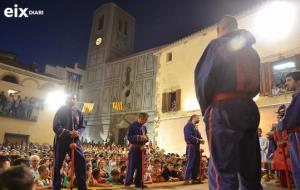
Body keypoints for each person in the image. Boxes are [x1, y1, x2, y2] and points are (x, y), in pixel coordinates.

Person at [194, 15, 261, 189]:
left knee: (222, 171)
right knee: (250, 171)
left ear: (219, 30)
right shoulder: (253, 52)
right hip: (249, 108)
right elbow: (257, 85)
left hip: (223, 109)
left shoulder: (217, 45)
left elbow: (203, 80)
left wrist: (206, 109)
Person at [52, 95, 87, 190]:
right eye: (70, 98)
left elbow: (82, 125)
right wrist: (68, 133)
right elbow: (56, 126)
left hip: (75, 140)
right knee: (58, 164)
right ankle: (56, 187)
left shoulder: (79, 112)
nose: (72, 100)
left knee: (81, 161)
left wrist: (77, 132)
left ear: (76, 100)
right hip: (61, 140)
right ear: (66, 100)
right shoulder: (60, 110)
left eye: (74, 98)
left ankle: (82, 187)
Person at [277, 71, 300, 189]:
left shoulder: (298, 95)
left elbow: (290, 120)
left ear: (298, 81)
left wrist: (279, 126)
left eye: (289, 80)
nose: (286, 84)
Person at [124, 112, 149, 188]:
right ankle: (128, 182)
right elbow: (129, 137)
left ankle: (138, 182)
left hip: (141, 149)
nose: (146, 121)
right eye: (145, 119)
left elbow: (146, 137)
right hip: (134, 148)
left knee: (140, 167)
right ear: (140, 118)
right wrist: (139, 137)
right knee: (132, 166)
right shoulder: (132, 126)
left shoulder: (144, 127)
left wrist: (145, 140)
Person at [183, 115, 204, 185]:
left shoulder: (195, 127)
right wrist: (199, 140)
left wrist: (201, 139)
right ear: (193, 118)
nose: (199, 119)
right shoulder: (188, 126)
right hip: (191, 147)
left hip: (196, 147)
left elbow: (198, 136)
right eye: (198, 118)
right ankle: (186, 179)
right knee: (190, 162)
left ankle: (193, 178)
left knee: (196, 163)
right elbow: (188, 136)